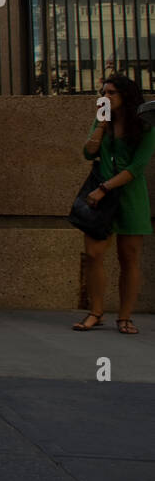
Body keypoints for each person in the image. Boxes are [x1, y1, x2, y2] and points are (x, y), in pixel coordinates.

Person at [73, 74, 154, 334]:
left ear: (126, 96)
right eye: (103, 92)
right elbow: (88, 152)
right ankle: (96, 312)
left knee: (128, 257)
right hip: (100, 199)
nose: (105, 97)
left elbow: (138, 167)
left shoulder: (145, 125)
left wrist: (105, 188)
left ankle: (125, 317)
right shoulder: (102, 121)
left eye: (111, 93)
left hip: (129, 197)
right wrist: (100, 126)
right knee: (94, 254)